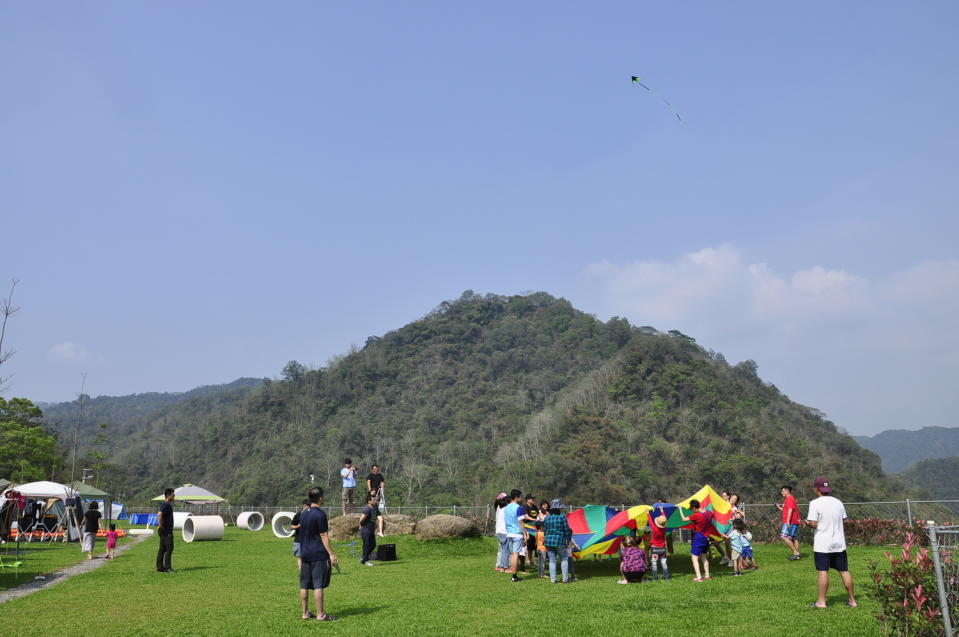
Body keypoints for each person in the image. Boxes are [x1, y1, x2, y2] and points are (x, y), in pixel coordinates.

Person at [806, 477, 858, 608]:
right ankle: (852, 600)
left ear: (816, 489)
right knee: (844, 570)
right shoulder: (838, 502)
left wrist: (808, 523)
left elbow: (813, 523)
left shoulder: (814, 503)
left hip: (823, 544)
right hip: (839, 543)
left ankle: (821, 601)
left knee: (823, 571)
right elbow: (844, 520)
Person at [298, 486, 339, 621]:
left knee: (304, 584)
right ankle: (320, 614)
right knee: (318, 585)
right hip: (318, 554)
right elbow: (323, 535)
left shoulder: (304, 513)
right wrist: (331, 554)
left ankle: (305, 613)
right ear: (321, 498)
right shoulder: (320, 514)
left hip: (304, 553)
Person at [680, 499, 712, 582]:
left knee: (694, 557)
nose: (691, 510)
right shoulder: (709, 513)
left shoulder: (696, 515)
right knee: (704, 556)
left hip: (699, 537)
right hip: (707, 538)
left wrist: (680, 509)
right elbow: (712, 516)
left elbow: (684, 519)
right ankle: (707, 575)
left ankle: (698, 577)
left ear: (694, 508)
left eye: (691, 509)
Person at [543, 498, 572, 584]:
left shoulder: (547, 517)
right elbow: (566, 530)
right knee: (564, 558)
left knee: (552, 560)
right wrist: (568, 539)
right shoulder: (562, 516)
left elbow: (545, 530)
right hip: (559, 541)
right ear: (559, 508)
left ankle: (553, 579)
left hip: (548, 541)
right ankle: (565, 579)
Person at [503, 489, 527, 582]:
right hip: (517, 533)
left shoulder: (506, 508)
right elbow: (521, 522)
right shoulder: (519, 507)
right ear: (517, 497)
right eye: (520, 496)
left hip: (509, 533)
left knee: (513, 554)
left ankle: (514, 575)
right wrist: (525, 533)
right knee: (516, 554)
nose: (521, 498)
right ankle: (514, 576)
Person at [776, 485, 802, 560]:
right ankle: (797, 555)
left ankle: (795, 552)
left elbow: (790, 510)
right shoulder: (788, 499)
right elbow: (786, 510)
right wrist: (779, 507)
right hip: (793, 521)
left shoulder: (789, 498)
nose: (782, 493)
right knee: (794, 538)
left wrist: (787, 521)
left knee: (783, 536)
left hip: (790, 521)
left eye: (783, 491)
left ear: (787, 491)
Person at [156, 488, 175, 573]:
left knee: (162, 549)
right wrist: (160, 525)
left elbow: (160, 514)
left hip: (163, 531)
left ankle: (160, 567)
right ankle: (168, 567)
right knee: (169, 548)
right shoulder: (166, 504)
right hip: (166, 531)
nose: (174, 496)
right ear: (168, 495)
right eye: (173, 494)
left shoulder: (164, 504)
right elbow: (159, 514)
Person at [358, 493, 380, 566]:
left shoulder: (374, 508)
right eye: (373, 500)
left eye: (375, 500)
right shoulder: (367, 509)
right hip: (366, 531)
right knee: (366, 545)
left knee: (373, 545)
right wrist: (362, 525)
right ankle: (365, 561)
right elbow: (361, 520)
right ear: (369, 501)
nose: (375, 501)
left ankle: (364, 557)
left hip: (371, 531)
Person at [649, 510, 670, 581]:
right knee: (664, 562)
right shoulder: (664, 529)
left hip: (655, 549)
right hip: (662, 548)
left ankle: (655, 578)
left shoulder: (654, 529)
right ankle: (666, 577)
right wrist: (662, 511)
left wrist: (647, 513)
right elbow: (664, 519)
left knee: (654, 563)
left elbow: (650, 521)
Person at [521, 494, 539, 572]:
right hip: (528, 527)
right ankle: (528, 560)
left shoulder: (535, 507)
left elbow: (539, 515)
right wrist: (535, 520)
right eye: (532, 499)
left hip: (535, 528)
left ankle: (531, 561)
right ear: (528, 500)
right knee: (529, 545)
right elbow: (526, 516)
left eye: (534, 498)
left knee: (534, 544)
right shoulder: (525, 507)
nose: (534, 500)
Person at [290, 499, 310, 569]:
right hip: (298, 540)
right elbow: (291, 526)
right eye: (309, 507)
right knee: (299, 557)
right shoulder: (298, 515)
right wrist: (297, 526)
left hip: (309, 540)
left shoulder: (311, 515)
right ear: (304, 506)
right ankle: (302, 573)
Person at [493, 492, 510, 572]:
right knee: (505, 550)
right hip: (504, 531)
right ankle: (504, 567)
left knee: (502, 549)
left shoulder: (499, 508)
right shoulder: (505, 509)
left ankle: (501, 566)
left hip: (499, 531)